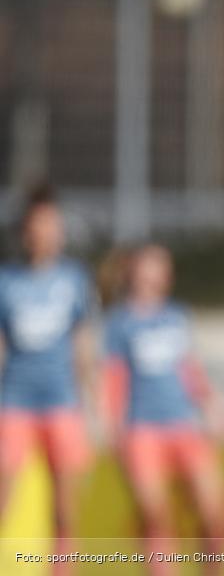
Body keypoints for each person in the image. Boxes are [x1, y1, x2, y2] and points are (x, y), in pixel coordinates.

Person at [99, 244, 224, 576]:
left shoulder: (176, 316)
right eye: (150, 265)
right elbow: (114, 380)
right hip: (141, 430)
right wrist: (113, 428)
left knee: (216, 518)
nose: (156, 272)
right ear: (133, 271)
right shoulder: (119, 323)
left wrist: (212, 405)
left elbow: (190, 370)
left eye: (162, 266)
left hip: (184, 426)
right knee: (157, 518)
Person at [0, 186, 95, 575]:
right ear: (24, 232)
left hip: (61, 402)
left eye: (50, 226)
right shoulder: (6, 280)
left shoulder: (74, 279)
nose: (42, 234)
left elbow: (84, 344)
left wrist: (96, 402)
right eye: (35, 226)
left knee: (65, 508)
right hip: (14, 401)